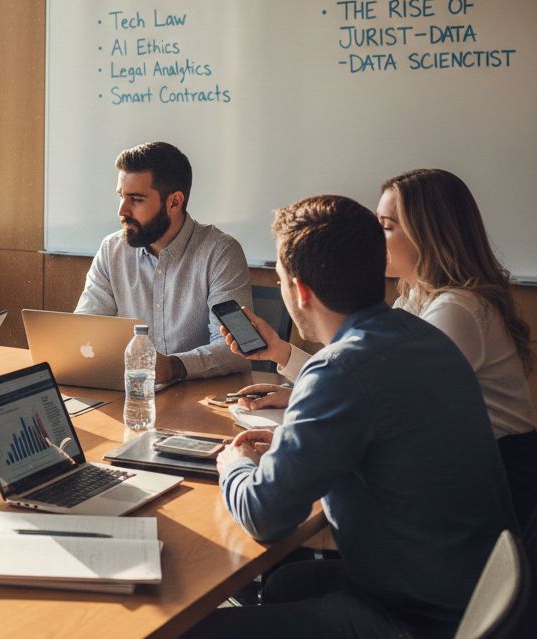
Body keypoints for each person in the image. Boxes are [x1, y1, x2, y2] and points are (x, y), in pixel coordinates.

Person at [191, 194, 515, 638]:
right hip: (474, 592)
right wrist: (292, 447)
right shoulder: (422, 335)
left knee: (194, 630)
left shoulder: (340, 368)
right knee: (288, 583)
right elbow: (384, 438)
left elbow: (265, 516)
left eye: (281, 280)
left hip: (420, 619)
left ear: (300, 291)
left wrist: (234, 465)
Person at [224, 169, 537, 528]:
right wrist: (284, 357)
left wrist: (273, 453)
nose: (373, 239)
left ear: (430, 234)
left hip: (497, 479)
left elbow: (371, 394)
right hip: (455, 487)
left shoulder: (456, 311)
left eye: (386, 227)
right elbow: (370, 388)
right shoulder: (412, 304)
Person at [75, 141, 251, 382]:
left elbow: (237, 348)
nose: (122, 211)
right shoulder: (111, 250)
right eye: (121, 197)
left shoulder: (221, 252)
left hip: (200, 394)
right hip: (132, 390)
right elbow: (84, 329)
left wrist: (173, 367)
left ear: (174, 202)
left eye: (136, 199)